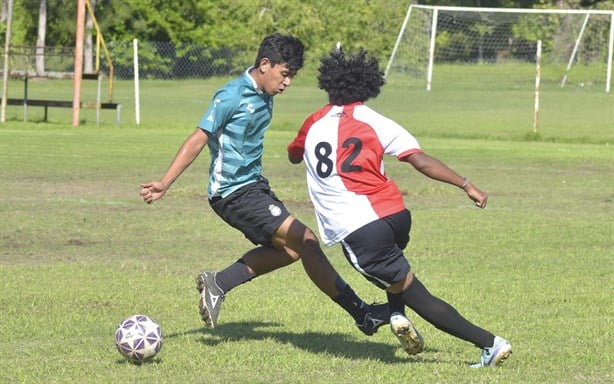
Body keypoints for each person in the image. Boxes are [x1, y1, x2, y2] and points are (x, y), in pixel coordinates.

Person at [139, 33, 388, 337]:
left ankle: (218, 283)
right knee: (306, 241)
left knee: (292, 251)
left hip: (254, 187)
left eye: (292, 76)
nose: (287, 83)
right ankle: (362, 314)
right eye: (284, 74)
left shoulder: (265, 95)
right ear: (265, 65)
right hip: (232, 193)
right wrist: (165, 182)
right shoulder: (231, 96)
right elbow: (198, 138)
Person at [287, 46, 512, 367]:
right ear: (367, 87)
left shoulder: (313, 122)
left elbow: (294, 155)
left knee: (413, 292)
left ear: (328, 85)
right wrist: (466, 184)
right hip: (395, 215)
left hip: (358, 228)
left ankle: (490, 344)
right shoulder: (374, 120)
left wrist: (304, 150)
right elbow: (419, 160)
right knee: (395, 269)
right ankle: (395, 315)